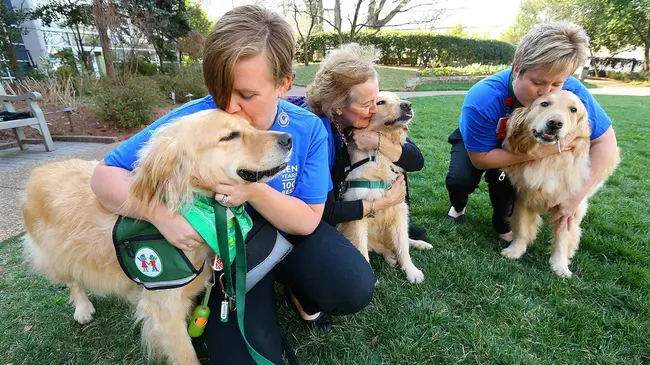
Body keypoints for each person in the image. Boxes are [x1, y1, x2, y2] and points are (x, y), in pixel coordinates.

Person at [89, 5, 375, 365]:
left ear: (284, 84)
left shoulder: (306, 128)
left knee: (352, 284)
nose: (230, 107)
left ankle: (299, 293)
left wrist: (252, 190)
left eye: (247, 95)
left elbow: (306, 220)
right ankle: (239, 301)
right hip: (226, 254)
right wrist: (161, 215)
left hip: (287, 235)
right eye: (220, 90)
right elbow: (103, 176)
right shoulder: (195, 119)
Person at [444, 22, 618, 243]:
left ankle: (503, 223)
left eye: (556, 83)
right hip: (484, 143)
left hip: (524, 146)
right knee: (461, 179)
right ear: (517, 69)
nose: (545, 93)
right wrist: (542, 153)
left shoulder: (572, 91)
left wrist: (576, 196)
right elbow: (481, 159)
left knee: (505, 204)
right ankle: (458, 207)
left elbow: (606, 143)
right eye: (537, 82)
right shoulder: (483, 98)